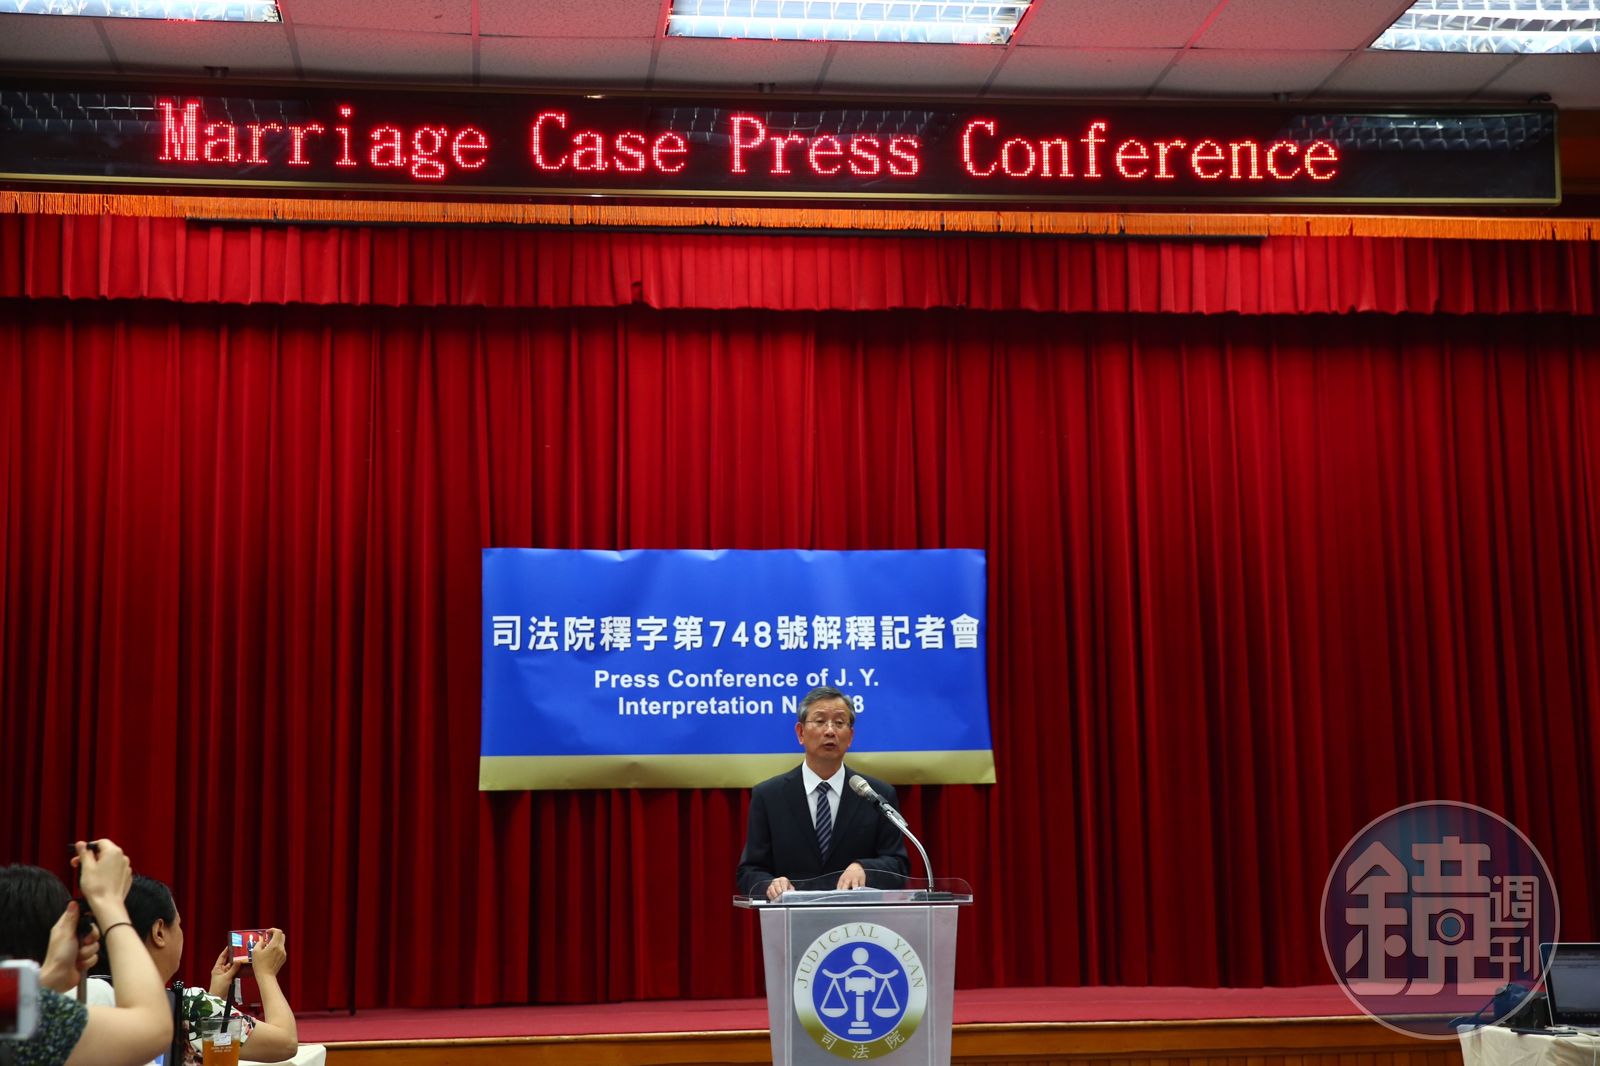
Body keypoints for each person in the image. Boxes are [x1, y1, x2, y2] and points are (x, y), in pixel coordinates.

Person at [0, 841, 174, 1066]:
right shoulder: (39, 1023)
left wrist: (51, 975)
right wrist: (109, 903)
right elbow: (153, 1029)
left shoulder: (13, 1015)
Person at [89, 877, 297, 1064]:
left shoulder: (84, 997)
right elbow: (285, 1043)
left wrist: (214, 998)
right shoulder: (189, 1006)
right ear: (159, 932)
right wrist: (266, 973)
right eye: (178, 924)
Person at [736, 686, 910, 899]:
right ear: (800, 733)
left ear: (850, 736)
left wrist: (865, 868)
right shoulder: (768, 796)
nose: (830, 731)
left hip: (858, 918)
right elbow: (750, 871)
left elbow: (898, 865)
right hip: (792, 916)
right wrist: (770, 885)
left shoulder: (875, 795)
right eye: (820, 721)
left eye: (839, 723)